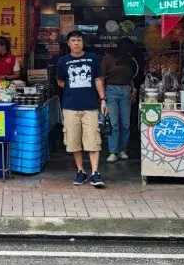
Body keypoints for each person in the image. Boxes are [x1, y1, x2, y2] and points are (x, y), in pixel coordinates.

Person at [56, 30, 106, 187]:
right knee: (74, 141)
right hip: (70, 107)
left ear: (83, 42)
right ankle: (81, 171)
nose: (76, 43)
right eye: (73, 40)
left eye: (79, 40)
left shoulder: (92, 59)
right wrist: (74, 87)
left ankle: (95, 173)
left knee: (93, 140)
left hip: (90, 107)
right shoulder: (63, 61)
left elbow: (98, 80)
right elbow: (60, 81)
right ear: (68, 43)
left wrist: (103, 99)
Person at [101, 43, 136, 163]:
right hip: (111, 90)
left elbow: (130, 77)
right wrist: (102, 96)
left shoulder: (128, 59)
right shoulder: (107, 58)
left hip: (125, 90)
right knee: (113, 123)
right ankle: (113, 151)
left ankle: (122, 150)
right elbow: (101, 77)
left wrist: (133, 89)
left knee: (125, 123)